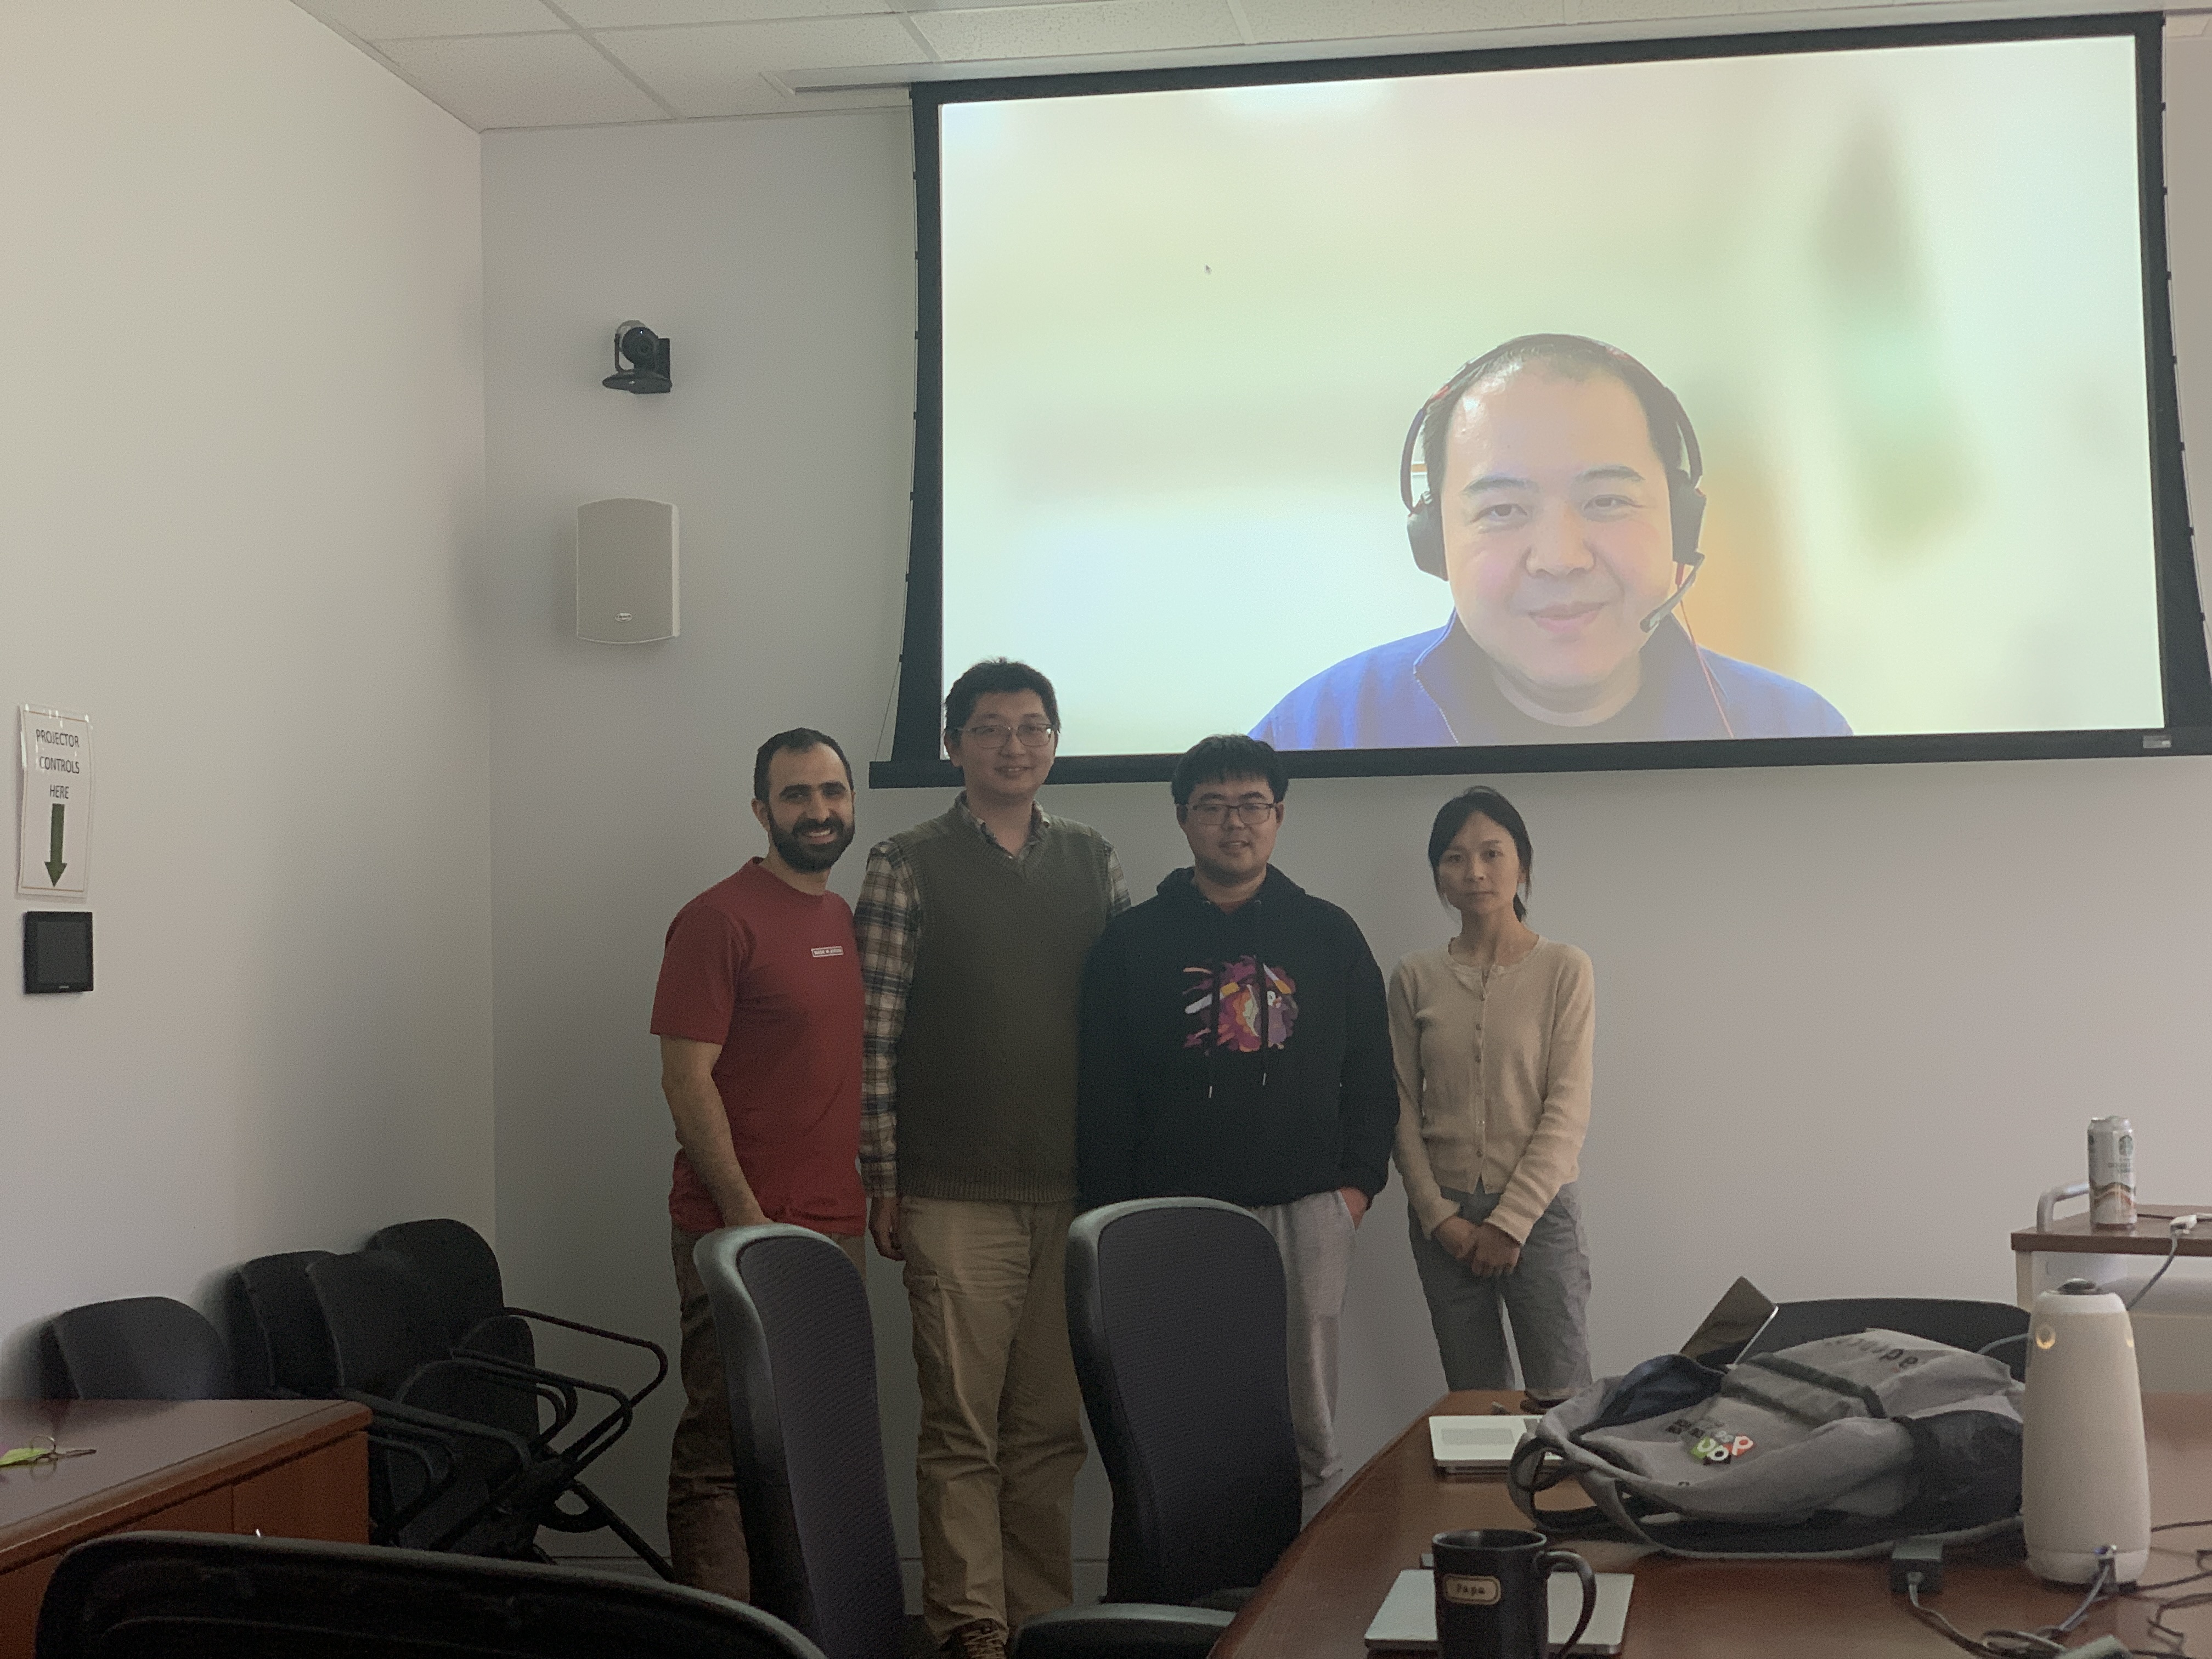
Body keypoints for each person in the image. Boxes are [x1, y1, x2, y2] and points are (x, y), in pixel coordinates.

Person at [854, 659, 1129, 1659]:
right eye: (990, 727)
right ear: (952, 743)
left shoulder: (1094, 860)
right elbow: (873, 1035)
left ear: (1054, 741)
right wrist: (883, 1177)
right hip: (951, 1191)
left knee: (1050, 1432)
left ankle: (1043, 1621)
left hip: (1070, 1195)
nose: (1014, 745)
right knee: (961, 1427)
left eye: (1031, 727)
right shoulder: (905, 861)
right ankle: (970, 1624)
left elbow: (1123, 1027)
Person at [1077, 733, 1396, 1513]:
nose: (1235, 823)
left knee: (1308, 1427)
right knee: (1179, 1418)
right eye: (1214, 806)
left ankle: (1303, 1583)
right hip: (1170, 1217)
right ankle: (1197, 1582)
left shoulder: (1328, 933)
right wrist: (1112, 1216)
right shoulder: (1132, 942)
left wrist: (1353, 1190)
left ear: (1279, 815)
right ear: (1183, 818)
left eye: (1252, 805)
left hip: (1306, 1208)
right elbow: (1104, 1092)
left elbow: (1371, 1074)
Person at [1252, 334, 1850, 748]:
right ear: (1435, 543)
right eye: (1502, 510)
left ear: (1681, 521)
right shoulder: (1315, 736)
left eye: (1607, 502)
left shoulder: (1797, 732)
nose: (1561, 559)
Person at [650, 727, 867, 1601]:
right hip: (738, 1230)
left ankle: (802, 1629)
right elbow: (684, 1079)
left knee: (811, 1446)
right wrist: (745, 1219)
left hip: (833, 1230)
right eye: (796, 794)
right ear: (761, 810)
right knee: (723, 1452)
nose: (818, 810)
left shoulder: (839, 917)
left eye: (832, 791)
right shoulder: (718, 919)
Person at [1389, 785, 1594, 1395]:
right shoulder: (1415, 976)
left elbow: (1568, 1106)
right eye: (1454, 858)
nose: (1474, 871)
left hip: (1540, 1215)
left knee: (1563, 1400)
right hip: (1445, 1219)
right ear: (1439, 876)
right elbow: (1399, 1103)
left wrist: (1511, 1222)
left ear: (1522, 865)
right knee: (1474, 1405)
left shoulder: (1565, 968)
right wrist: (1438, 1217)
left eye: (1491, 853)